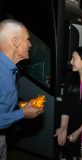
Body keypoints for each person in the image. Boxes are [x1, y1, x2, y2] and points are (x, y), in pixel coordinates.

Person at [0, 19, 44, 160]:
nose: (30, 45)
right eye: (27, 40)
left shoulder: (9, 69)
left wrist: (22, 106)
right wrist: (22, 113)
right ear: (15, 42)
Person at [55, 47, 82, 160]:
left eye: (74, 58)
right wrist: (63, 127)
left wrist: (78, 132)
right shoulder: (70, 77)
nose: (70, 62)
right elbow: (66, 105)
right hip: (71, 128)